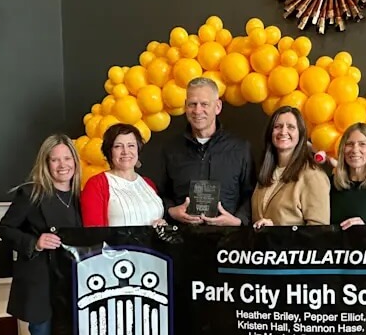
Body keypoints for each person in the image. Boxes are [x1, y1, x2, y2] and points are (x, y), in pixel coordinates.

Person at [0, 133, 82, 335]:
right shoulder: (31, 194)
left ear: (75, 161)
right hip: (42, 289)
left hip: (74, 289)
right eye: (55, 159)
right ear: (46, 163)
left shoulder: (80, 195)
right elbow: (4, 228)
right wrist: (35, 241)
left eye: (67, 159)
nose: (62, 165)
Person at [155, 76, 255, 226]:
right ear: (185, 106)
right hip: (182, 240)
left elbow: (252, 194)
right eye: (192, 104)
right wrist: (171, 211)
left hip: (229, 241)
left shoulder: (240, 148)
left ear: (218, 107)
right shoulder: (171, 149)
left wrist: (238, 221)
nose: (197, 110)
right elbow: (161, 194)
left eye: (204, 104)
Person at [251, 105, 330, 227]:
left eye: (291, 127)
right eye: (277, 127)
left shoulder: (313, 176)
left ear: (301, 135)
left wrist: (278, 233)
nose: (283, 132)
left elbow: (319, 235)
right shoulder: (265, 173)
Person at [80, 123, 166, 227]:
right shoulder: (96, 185)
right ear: (109, 151)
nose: (125, 151)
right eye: (118, 146)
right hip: (117, 244)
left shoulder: (148, 183)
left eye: (131, 145)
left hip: (153, 243)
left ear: (138, 149)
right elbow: (94, 233)